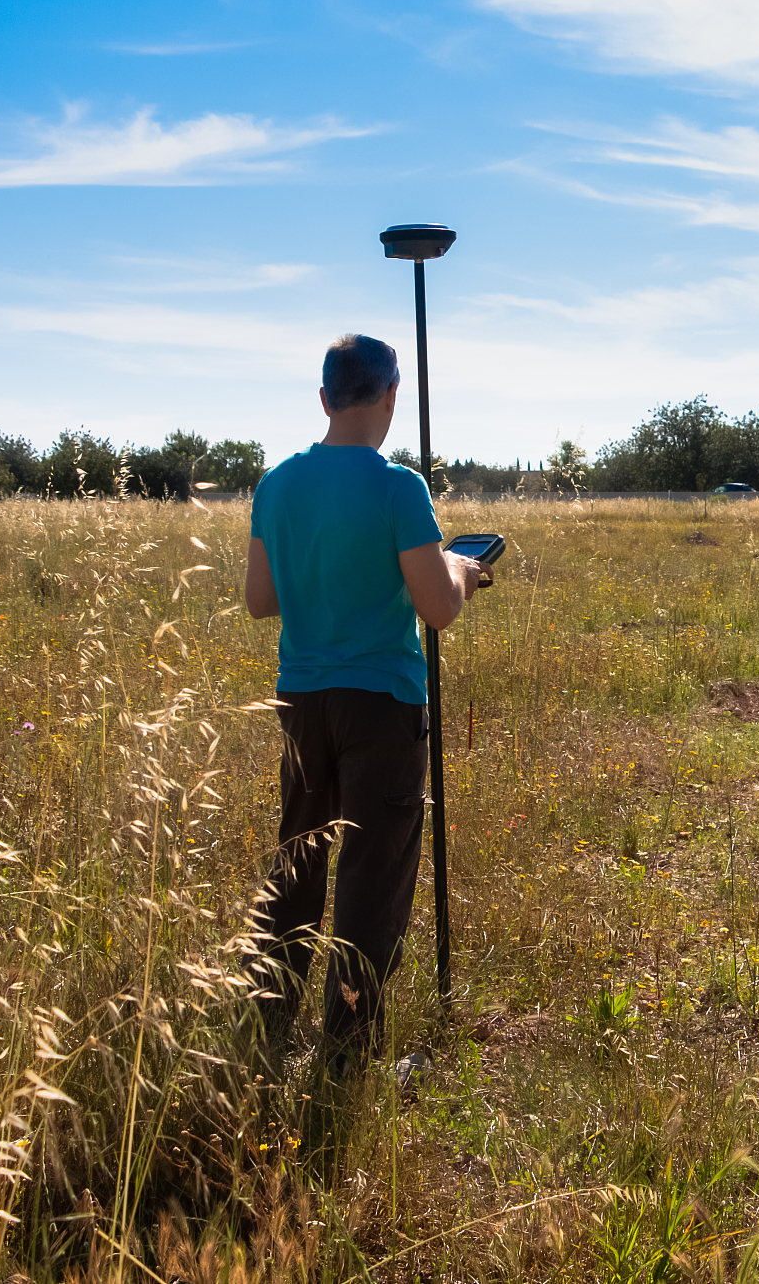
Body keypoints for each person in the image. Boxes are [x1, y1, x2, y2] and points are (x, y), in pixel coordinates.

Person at [242, 333, 489, 1072]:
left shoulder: (276, 484)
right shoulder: (398, 488)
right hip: (380, 705)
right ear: (391, 396)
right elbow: (437, 607)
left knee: (297, 865)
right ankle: (347, 1061)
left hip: (301, 701)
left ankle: (266, 1034)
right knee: (370, 878)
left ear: (324, 398)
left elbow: (260, 599)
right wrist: (462, 570)